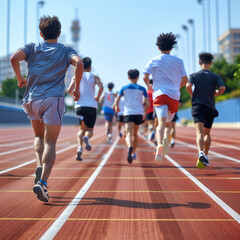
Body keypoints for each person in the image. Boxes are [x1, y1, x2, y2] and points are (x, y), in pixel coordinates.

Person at [10, 16, 83, 202]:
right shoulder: (66, 50)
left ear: (41, 34)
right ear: (59, 34)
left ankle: (38, 163)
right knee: (50, 142)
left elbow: (13, 58)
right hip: (53, 100)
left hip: (32, 98)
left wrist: (20, 78)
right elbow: (79, 63)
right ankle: (42, 182)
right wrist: (77, 88)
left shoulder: (32, 47)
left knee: (37, 136)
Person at [143, 32, 188, 163]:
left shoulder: (154, 60)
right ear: (172, 47)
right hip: (174, 95)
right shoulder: (179, 61)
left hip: (160, 94)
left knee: (161, 124)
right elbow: (185, 79)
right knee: (169, 124)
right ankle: (166, 140)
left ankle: (159, 146)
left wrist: (148, 87)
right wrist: (176, 87)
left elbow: (145, 76)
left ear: (158, 47)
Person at [186, 52, 225, 168]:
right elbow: (222, 88)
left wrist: (192, 94)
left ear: (199, 63)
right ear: (211, 63)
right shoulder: (215, 76)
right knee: (206, 132)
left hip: (197, 106)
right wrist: (216, 93)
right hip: (210, 107)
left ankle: (200, 153)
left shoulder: (194, 75)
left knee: (199, 132)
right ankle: (205, 156)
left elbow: (188, 86)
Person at [67, 57, 103, 161]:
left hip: (80, 106)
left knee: (81, 129)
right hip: (92, 106)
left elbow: (69, 90)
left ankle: (79, 148)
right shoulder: (94, 76)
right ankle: (87, 138)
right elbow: (101, 87)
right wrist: (98, 96)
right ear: (90, 66)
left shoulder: (77, 76)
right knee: (89, 130)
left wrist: (74, 95)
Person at [115, 69, 150, 163]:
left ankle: (130, 146)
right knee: (135, 134)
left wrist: (116, 108)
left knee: (129, 133)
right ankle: (134, 152)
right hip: (139, 113)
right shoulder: (142, 89)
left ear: (128, 77)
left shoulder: (123, 88)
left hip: (128, 113)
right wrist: (144, 112)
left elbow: (117, 101)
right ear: (138, 77)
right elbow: (148, 103)